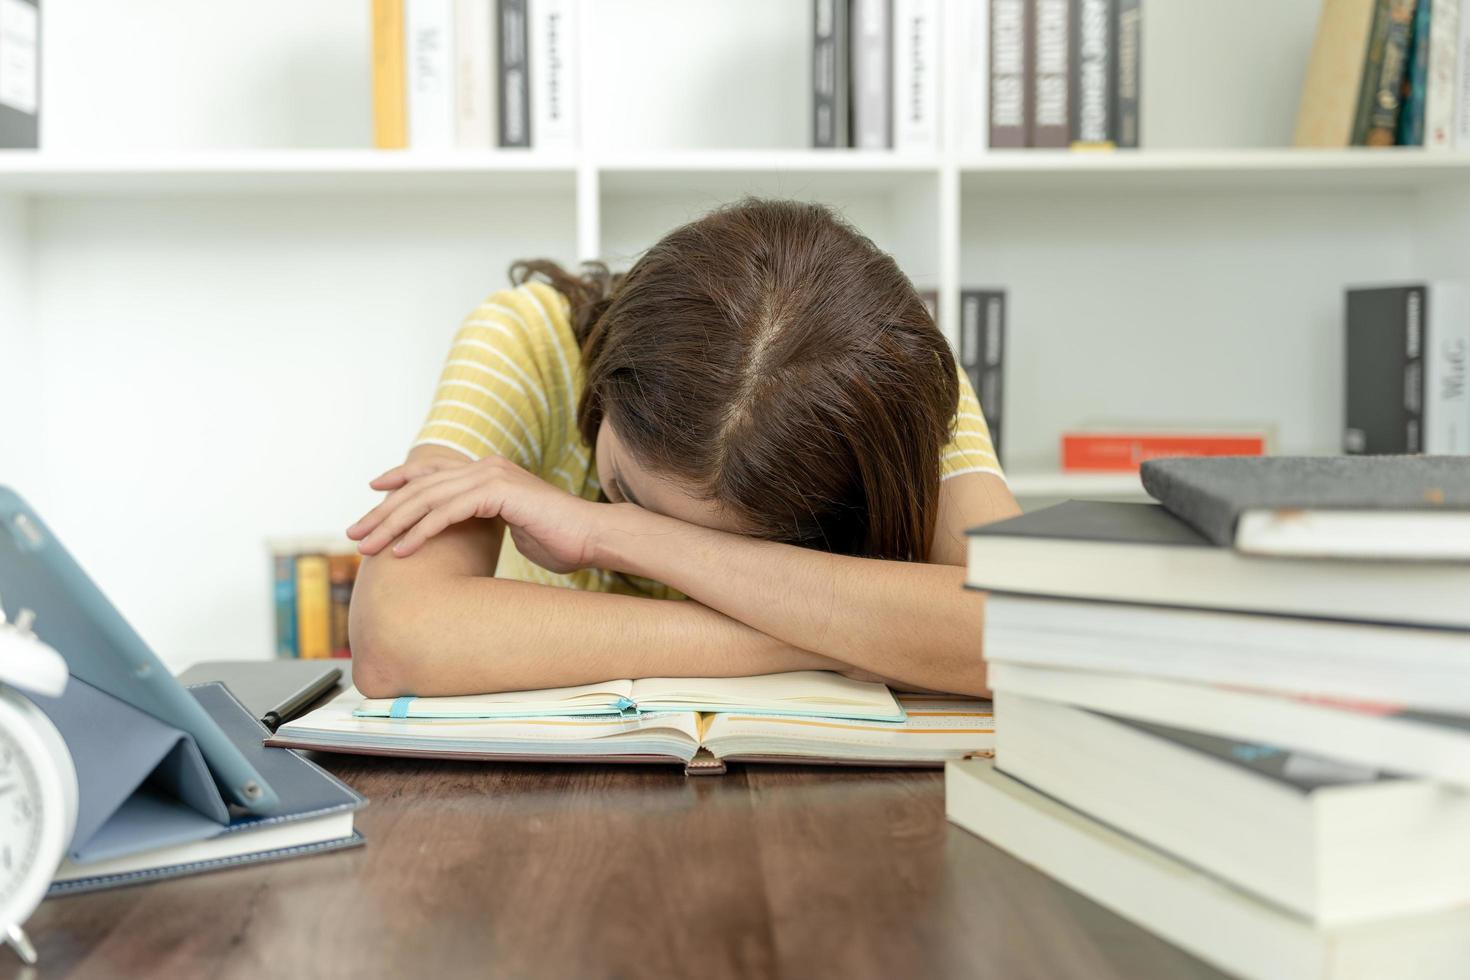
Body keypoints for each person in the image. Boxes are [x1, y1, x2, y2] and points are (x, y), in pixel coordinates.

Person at [346, 198, 1019, 699]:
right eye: (628, 491)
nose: (671, 566)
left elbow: (1027, 632)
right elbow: (396, 637)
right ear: (606, 374)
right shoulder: (529, 340)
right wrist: (823, 632)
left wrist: (610, 530)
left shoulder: (883, 385)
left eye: (749, 545)